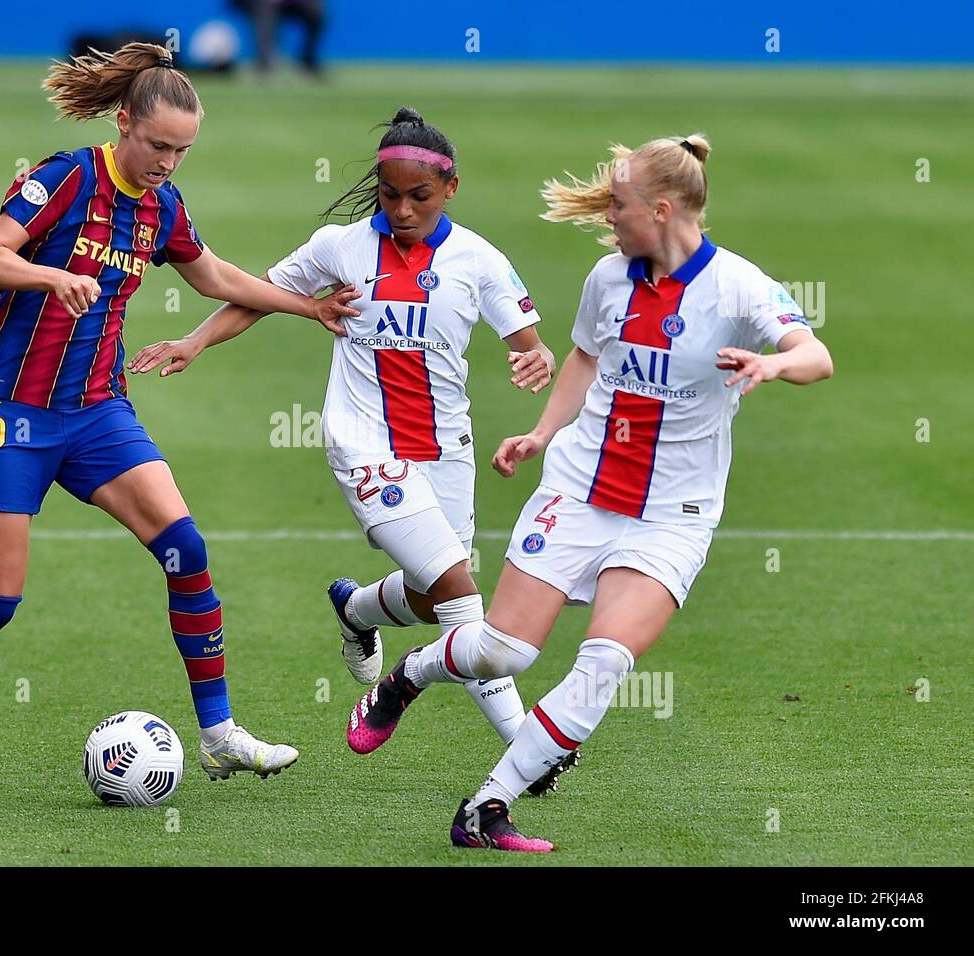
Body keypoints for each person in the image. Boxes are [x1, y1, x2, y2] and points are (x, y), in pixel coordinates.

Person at [344, 133, 835, 851]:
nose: (608, 216)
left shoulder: (738, 286)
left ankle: (486, 807)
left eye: (619, 204)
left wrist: (772, 364)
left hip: (673, 515)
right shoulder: (609, 277)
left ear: (661, 210)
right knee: (503, 653)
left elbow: (816, 355)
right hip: (579, 490)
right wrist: (542, 433)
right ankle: (408, 676)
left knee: (604, 663)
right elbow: (584, 356)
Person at [0, 42, 362, 793]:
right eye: (158, 146)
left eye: (182, 151)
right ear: (124, 123)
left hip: (96, 412)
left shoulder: (163, 206)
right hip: (9, 413)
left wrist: (306, 307)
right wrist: (51, 276)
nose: (167, 163)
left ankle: (218, 735)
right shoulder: (65, 177)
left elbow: (213, 275)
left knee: (187, 549)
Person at [128, 107, 558, 757]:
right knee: (460, 599)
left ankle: (356, 609)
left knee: (426, 598)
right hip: (363, 445)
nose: (403, 210)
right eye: (390, 195)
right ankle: (527, 749)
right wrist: (195, 340)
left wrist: (537, 357)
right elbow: (259, 293)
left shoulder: (480, 261)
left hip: (446, 449)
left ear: (450, 189)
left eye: (420, 196)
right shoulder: (341, 247)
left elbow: (529, 343)